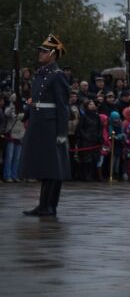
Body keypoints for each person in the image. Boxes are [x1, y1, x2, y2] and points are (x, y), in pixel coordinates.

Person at [21, 34, 70, 217]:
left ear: (52, 54)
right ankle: (42, 204)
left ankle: (50, 206)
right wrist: (26, 113)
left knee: (53, 167)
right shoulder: (41, 74)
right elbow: (36, 100)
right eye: (40, 51)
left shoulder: (57, 76)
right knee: (45, 166)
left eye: (43, 51)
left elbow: (62, 106)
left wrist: (62, 131)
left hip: (51, 125)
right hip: (39, 123)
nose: (40, 54)